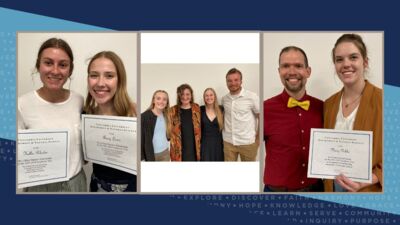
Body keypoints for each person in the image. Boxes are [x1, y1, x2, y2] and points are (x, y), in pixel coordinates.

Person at [18, 38, 87, 192]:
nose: (55, 71)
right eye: (48, 63)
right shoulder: (21, 105)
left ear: (70, 69)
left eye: (63, 65)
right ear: (38, 65)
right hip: (39, 187)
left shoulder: (79, 101)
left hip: (76, 184)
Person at [324, 34, 382, 192]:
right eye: (339, 59)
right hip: (333, 190)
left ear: (365, 62)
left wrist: (370, 179)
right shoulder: (328, 104)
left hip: (368, 192)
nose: (346, 64)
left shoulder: (386, 101)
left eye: (353, 57)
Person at [263, 46, 323, 192]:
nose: (291, 71)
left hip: (317, 189)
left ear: (308, 71)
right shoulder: (264, 109)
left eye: (298, 66)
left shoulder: (323, 108)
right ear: (279, 72)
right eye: (285, 66)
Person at [84, 51, 137, 192]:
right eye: (94, 75)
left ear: (120, 80)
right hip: (97, 187)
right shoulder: (87, 114)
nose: (100, 83)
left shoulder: (136, 113)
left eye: (109, 76)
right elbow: (85, 159)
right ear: (88, 79)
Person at [221, 68, 259, 161]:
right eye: (229, 81)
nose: (233, 83)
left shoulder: (252, 97)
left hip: (247, 143)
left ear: (241, 81)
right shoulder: (224, 99)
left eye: (236, 80)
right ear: (226, 82)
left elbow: (261, 116)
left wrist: (258, 138)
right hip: (228, 142)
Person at [168, 84, 201, 161]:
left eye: (187, 94)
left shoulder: (197, 109)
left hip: (195, 150)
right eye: (182, 94)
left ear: (191, 95)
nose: (185, 97)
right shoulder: (172, 111)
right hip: (178, 151)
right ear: (179, 96)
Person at [141, 90, 171, 161]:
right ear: (153, 100)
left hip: (165, 153)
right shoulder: (144, 117)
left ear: (167, 103)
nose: (161, 101)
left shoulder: (167, 116)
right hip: (151, 155)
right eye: (158, 98)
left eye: (164, 99)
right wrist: (142, 158)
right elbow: (140, 140)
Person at [200, 88, 224, 161]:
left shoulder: (221, 109)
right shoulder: (200, 109)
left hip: (218, 144)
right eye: (206, 96)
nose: (209, 97)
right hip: (205, 144)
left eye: (211, 95)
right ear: (204, 98)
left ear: (215, 96)